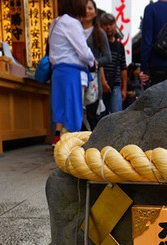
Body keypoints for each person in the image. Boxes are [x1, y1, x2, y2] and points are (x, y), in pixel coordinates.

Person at [49, 0, 97, 146]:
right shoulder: (72, 23)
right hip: (72, 73)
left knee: (62, 112)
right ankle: (72, 147)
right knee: (74, 113)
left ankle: (62, 144)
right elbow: (84, 52)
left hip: (59, 71)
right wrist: (93, 61)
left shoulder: (56, 22)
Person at [81, 0, 111, 130]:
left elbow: (108, 57)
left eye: (90, 8)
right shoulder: (74, 30)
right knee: (77, 114)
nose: (87, 11)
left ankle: (94, 146)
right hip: (75, 77)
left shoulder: (99, 33)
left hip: (92, 79)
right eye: (84, 8)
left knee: (92, 115)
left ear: (95, 12)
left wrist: (95, 62)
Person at [100, 13, 127, 115]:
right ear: (101, 26)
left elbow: (123, 68)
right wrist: (103, 82)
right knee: (102, 116)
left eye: (111, 24)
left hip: (115, 85)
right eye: (105, 25)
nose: (108, 27)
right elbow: (98, 64)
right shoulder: (99, 44)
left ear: (115, 25)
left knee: (117, 116)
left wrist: (124, 89)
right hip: (101, 86)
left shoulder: (120, 46)